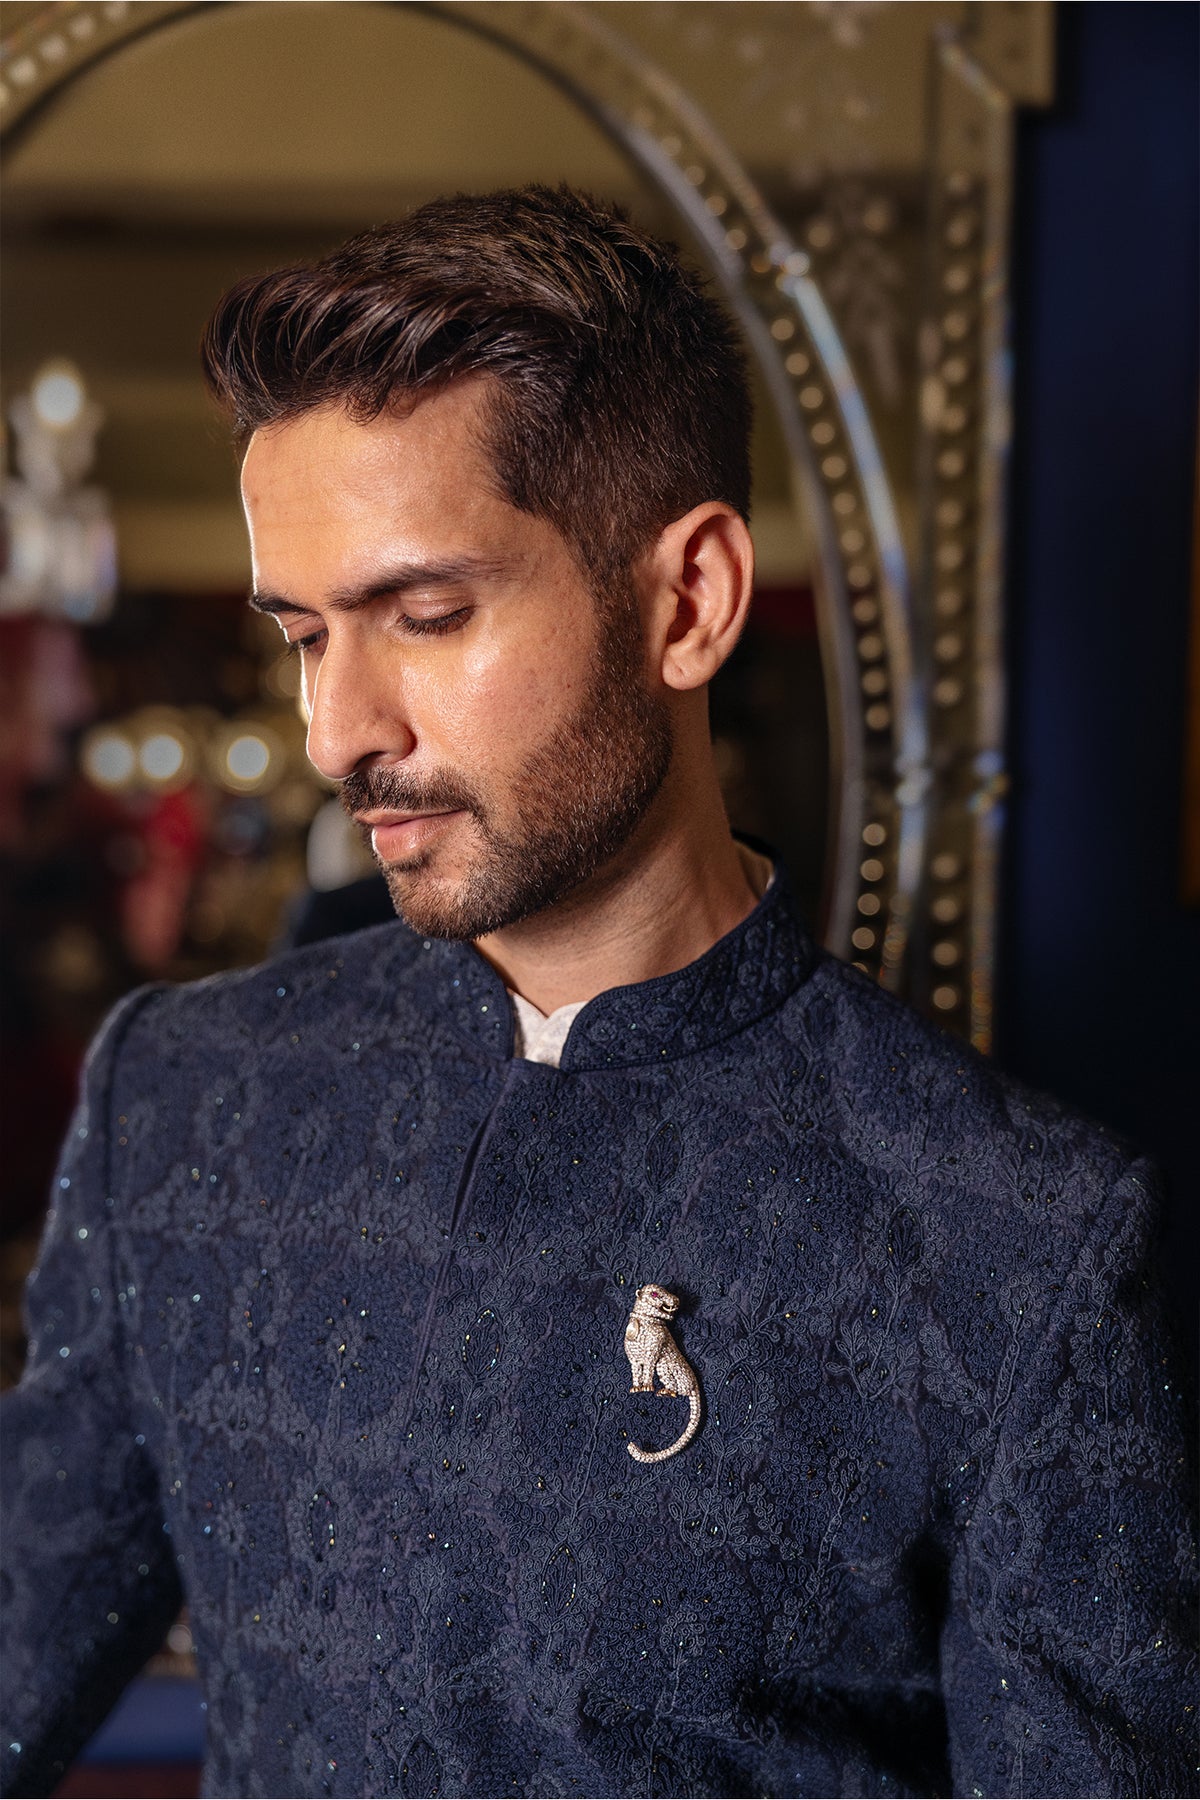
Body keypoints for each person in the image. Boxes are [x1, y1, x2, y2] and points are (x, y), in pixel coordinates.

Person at [1, 186, 1194, 1800]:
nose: (338, 731)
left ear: (687, 601)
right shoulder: (184, 1096)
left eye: (428, 616)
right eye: (302, 636)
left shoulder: (1014, 1237)